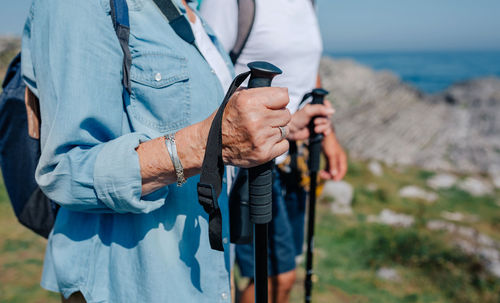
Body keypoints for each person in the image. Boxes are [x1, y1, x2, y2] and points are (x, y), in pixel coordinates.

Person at [18, 0, 321, 301]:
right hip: (127, 283)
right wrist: (207, 143)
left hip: (199, 271)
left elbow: (191, 115)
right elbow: (66, 171)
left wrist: (276, 128)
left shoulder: (190, 15)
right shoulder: (78, 6)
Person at [200, 1, 348, 302]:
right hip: (250, 159)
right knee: (274, 277)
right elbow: (205, 70)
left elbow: (306, 67)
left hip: (292, 157)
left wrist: (329, 136)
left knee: (284, 269)